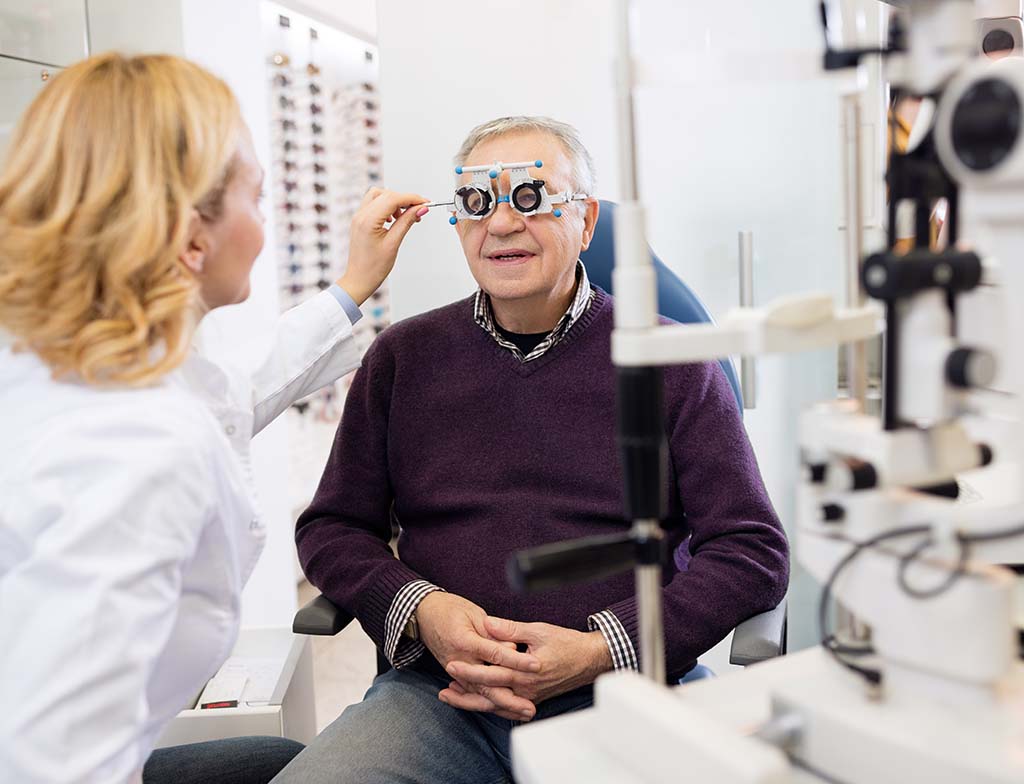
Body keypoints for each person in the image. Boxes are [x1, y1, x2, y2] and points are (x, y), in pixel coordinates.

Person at [277, 116, 789, 783]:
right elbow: (333, 528)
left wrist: (604, 647)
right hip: (441, 700)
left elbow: (751, 549)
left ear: (586, 220)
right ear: (457, 222)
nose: (503, 224)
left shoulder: (672, 360)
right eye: (477, 203)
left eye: (530, 197)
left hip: (626, 692)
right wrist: (421, 608)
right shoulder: (402, 357)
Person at [0, 52, 428, 783]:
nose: (265, 229)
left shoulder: (67, 366)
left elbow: (229, 393)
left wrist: (351, 288)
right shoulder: (134, 448)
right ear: (191, 236)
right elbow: (54, 762)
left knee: (269, 762)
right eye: (258, 200)